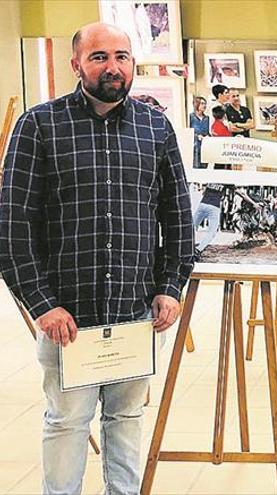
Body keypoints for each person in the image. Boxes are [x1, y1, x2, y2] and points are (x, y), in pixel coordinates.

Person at [0, 23, 194, 494]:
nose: (113, 67)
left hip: (136, 316)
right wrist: (42, 305)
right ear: (76, 65)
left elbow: (179, 218)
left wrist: (171, 286)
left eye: (122, 57)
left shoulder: (156, 128)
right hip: (69, 318)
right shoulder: (39, 126)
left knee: (126, 417)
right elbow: (12, 228)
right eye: (99, 57)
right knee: (67, 422)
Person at [192, 183, 225, 258]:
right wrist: (253, 203)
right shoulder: (226, 179)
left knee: (192, 227)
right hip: (214, 206)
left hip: (203, 204)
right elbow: (241, 193)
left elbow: (204, 192)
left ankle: (188, 247)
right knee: (212, 232)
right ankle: (198, 250)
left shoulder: (211, 178)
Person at [190, 95, 209, 168]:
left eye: (205, 104)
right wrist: (197, 136)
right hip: (195, 145)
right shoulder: (191, 117)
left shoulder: (207, 118)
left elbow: (209, 131)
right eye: (202, 103)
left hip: (205, 145)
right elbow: (188, 132)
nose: (204, 106)